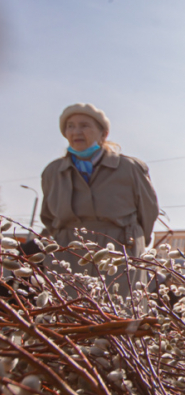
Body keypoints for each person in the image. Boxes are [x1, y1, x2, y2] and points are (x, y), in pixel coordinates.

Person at [41, 104, 158, 289]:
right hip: (67, 251)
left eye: (84, 125)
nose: (76, 131)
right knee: (66, 312)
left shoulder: (129, 168)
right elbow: (48, 216)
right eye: (70, 126)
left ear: (103, 134)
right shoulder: (53, 172)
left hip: (118, 253)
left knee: (117, 311)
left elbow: (148, 213)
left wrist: (134, 242)